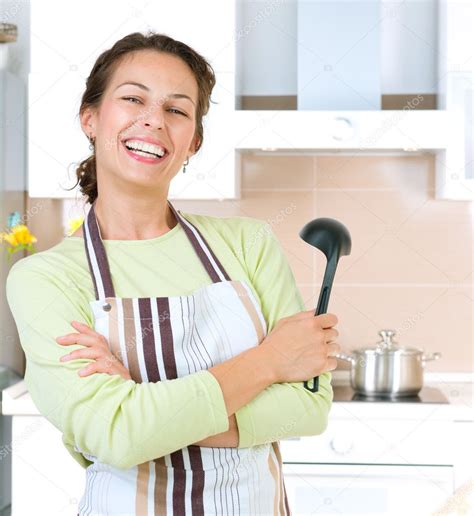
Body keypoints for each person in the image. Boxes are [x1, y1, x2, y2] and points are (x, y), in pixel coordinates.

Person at [6, 31, 340, 515]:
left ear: (194, 142)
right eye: (133, 99)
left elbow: (309, 409)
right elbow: (118, 436)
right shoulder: (46, 278)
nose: (153, 121)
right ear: (91, 119)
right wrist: (271, 361)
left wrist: (145, 411)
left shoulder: (248, 244)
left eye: (177, 110)